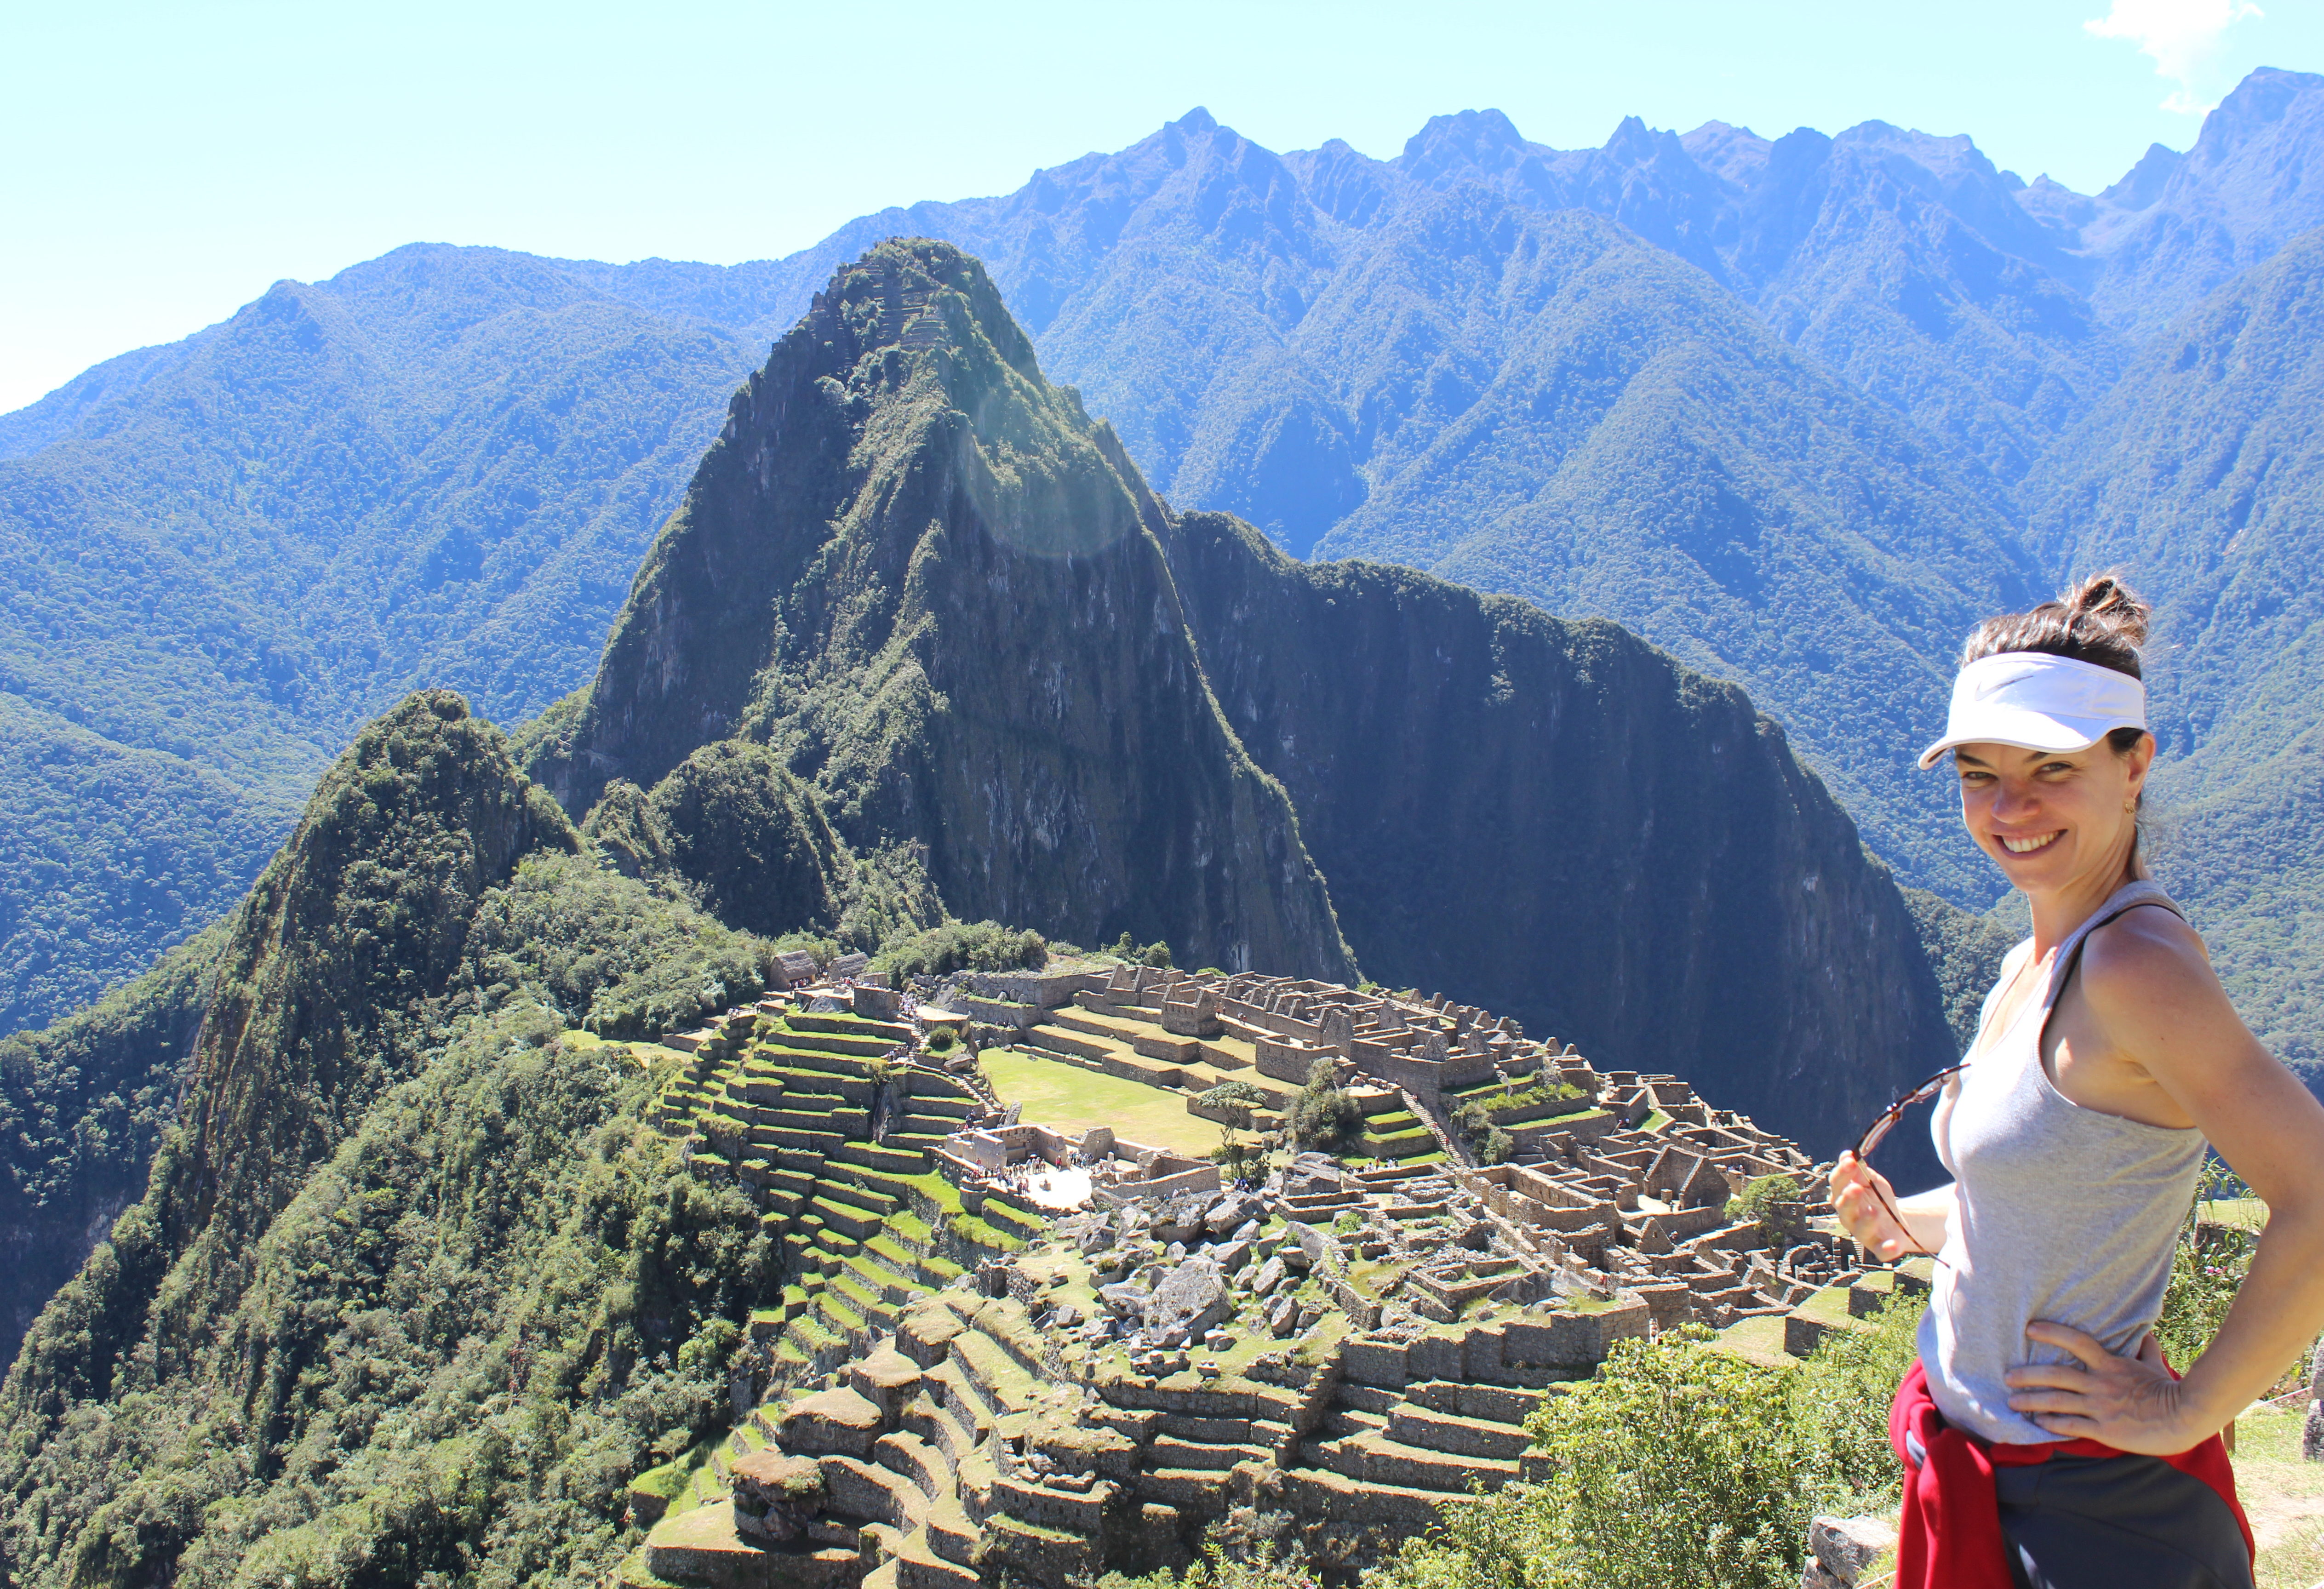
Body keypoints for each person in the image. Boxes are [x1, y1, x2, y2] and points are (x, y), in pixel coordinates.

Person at [1829, 575, 2324, 1589]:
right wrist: (1905, 1220)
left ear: (2134, 765)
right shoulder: (2032, 961)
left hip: (2091, 1516)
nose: (2008, 810)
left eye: (2050, 770)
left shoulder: (2135, 970)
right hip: (1979, 1470)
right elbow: (2043, 1189)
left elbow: (2318, 1194)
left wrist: (2193, 1409)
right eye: (1977, 774)